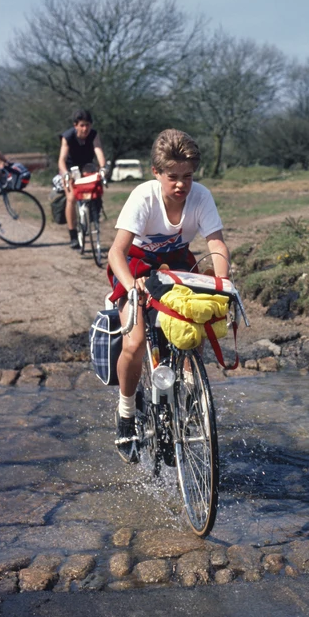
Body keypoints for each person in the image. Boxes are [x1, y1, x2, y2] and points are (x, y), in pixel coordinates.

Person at [107, 128, 230, 463]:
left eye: (188, 176)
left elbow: (215, 244)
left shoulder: (201, 196)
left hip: (176, 265)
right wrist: (132, 287)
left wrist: (222, 284)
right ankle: (127, 411)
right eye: (173, 176)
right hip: (136, 265)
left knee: (196, 319)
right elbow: (115, 253)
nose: (181, 185)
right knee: (134, 341)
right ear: (156, 173)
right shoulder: (143, 197)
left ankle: (187, 392)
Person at [58, 109, 106, 249]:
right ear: (76, 125)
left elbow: (98, 151)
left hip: (87, 166)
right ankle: (73, 234)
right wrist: (65, 173)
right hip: (70, 168)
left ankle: (94, 212)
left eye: (88, 125)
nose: (85, 129)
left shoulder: (93, 135)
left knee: (96, 185)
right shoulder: (68, 137)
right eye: (82, 125)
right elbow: (61, 160)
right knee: (71, 198)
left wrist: (103, 167)